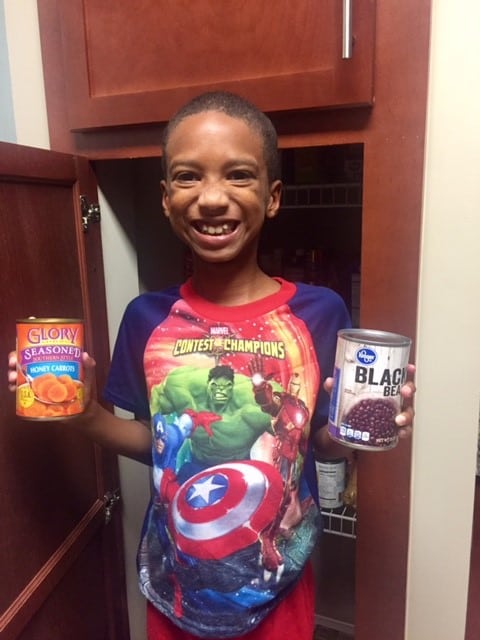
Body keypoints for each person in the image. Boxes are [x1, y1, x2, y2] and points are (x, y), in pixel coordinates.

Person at [7, 91, 415, 639]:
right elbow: (149, 439)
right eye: (187, 177)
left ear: (272, 197)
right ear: (165, 198)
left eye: (239, 176)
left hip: (278, 591)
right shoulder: (147, 318)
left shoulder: (320, 312)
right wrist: (81, 415)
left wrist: (359, 427)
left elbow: (315, 441)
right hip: (176, 587)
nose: (211, 198)